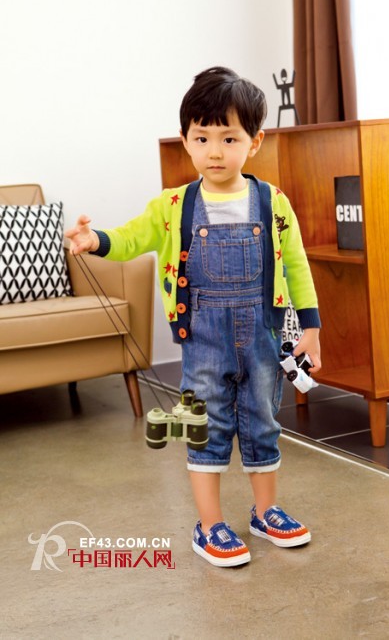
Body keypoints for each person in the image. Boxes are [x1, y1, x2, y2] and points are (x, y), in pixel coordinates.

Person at [65, 66, 321, 568]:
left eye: (229, 138)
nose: (215, 151)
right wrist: (97, 240)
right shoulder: (173, 206)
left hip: (263, 336)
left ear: (255, 142)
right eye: (202, 138)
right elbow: (133, 237)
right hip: (203, 339)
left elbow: (296, 265)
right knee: (205, 425)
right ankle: (209, 525)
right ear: (185, 140)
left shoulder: (272, 203)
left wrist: (310, 327)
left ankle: (264, 512)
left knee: (263, 422)